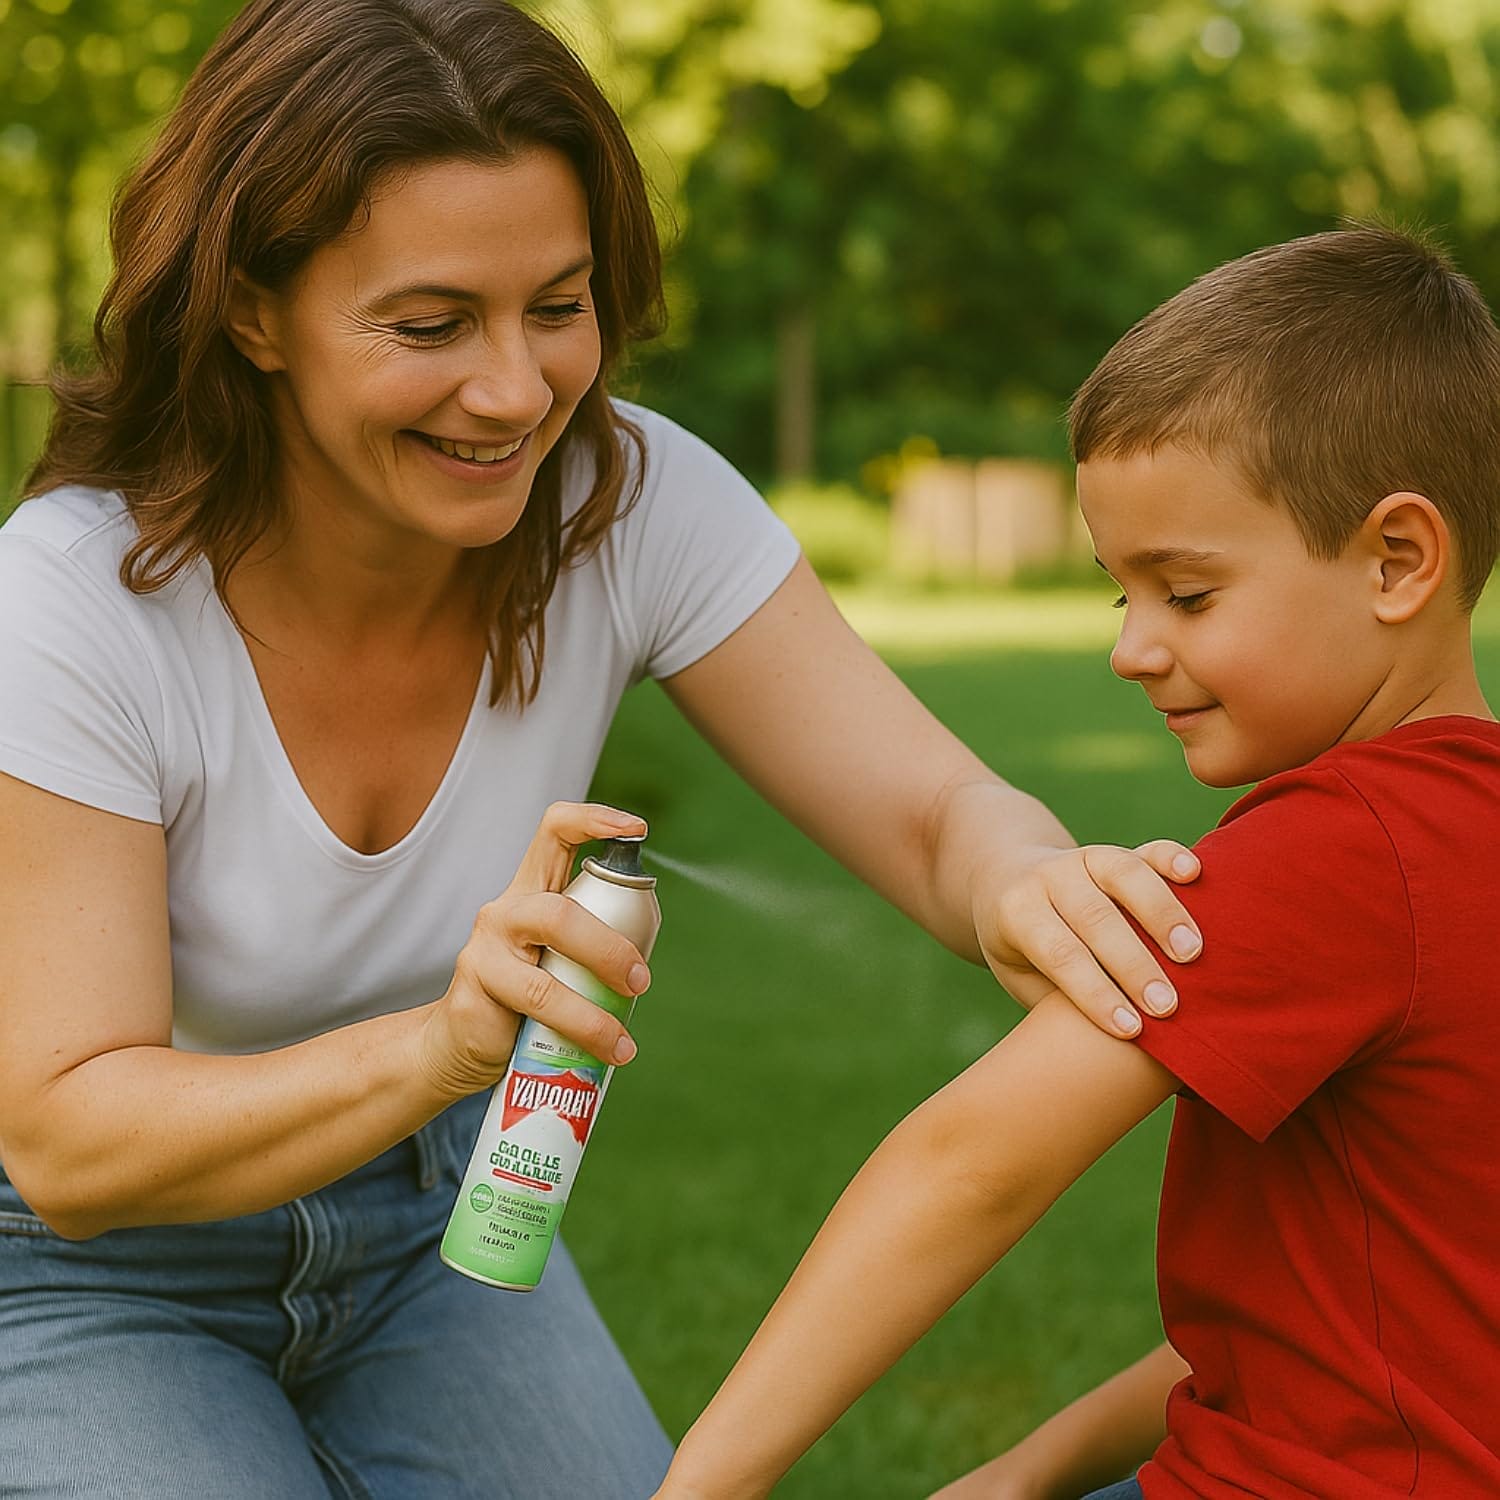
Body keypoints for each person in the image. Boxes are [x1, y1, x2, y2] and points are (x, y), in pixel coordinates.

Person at [0, 2, 1207, 1496]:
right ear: (255, 311)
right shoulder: (71, 601)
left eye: (556, 308)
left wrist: (1025, 878)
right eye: (430, 326)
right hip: (74, 1270)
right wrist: (439, 1048)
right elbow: (66, 1136)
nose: (514, 391)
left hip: (429, 1238)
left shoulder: (625, 505)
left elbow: (934, 809)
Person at [651, 224, 1500, 1500]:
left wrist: (696, 1489)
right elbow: (1330, 1336)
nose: (1132, 649)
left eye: (1187, 594)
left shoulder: (1337, 849)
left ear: (1397, 560)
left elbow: (972, 1163)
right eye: (1120, 595)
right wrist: (1029, 1470)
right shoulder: (1462, 829)